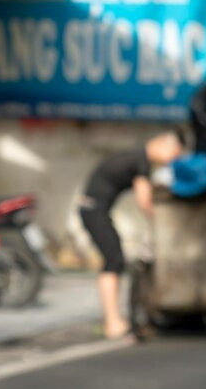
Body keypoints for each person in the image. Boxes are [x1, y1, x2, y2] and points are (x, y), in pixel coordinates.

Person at [79, 131, 186, 339]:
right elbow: (144, 200)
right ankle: (112, 322)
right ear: (163, 144)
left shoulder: (136, 155)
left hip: (95, 210)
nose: (172, 160)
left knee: (115, 260)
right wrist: (164, 224)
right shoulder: (141, 160)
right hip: (93, 210)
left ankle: (114, 320)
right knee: (114, 260)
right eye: (174, 154)